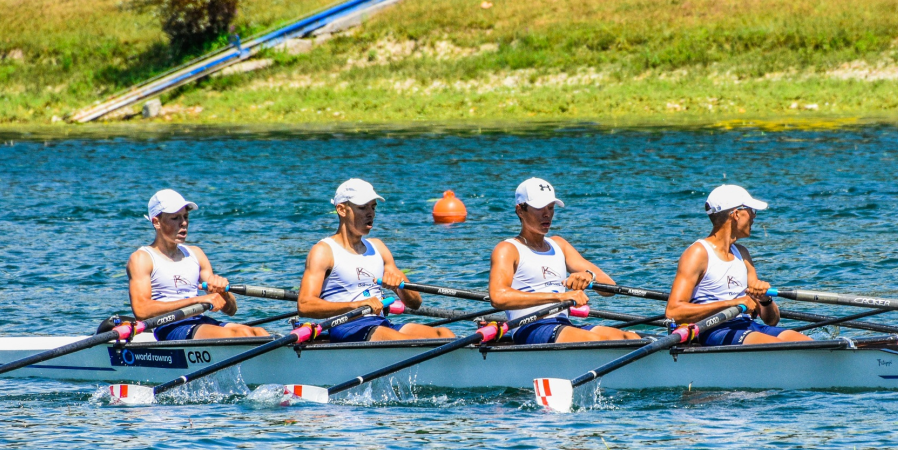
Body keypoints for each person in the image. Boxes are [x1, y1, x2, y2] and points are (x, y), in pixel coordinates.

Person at [297, 179, 455, 342]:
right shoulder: (323, 251)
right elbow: (305, 305)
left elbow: (415, 303)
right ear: (342, 209)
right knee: (403, 341)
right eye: (362, 207)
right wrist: (357, 305)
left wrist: (399, 286)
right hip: (348, 327)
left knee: (444, 334)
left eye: (373, 207)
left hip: (381, 324)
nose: (370, 213)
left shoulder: (378, 248)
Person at [488, 178, 640, 344]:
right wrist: (560, 297)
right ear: (520, 210)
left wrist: (589, 276)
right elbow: (498, 297)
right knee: (595, 340)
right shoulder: (507, 249)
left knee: (630, 337)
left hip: (563, 325)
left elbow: (610, 288)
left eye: (551, 207)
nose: (547, 214)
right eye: (539, 208)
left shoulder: (559, 245)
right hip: (530, 328)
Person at [665, 184, 811, 345]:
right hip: (714, 329)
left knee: (806, 342)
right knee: (774, 345)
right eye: (751, 211)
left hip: (747, 325)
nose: (754, 217)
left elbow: (772, 320)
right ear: (736, 214)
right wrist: (733, 303)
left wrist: (765, 300)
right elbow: (674, 311)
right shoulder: (698, 253)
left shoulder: (742, 254)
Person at [127, 189, 270, 341]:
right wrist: (197, 301)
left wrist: (223, 293)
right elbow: (141, 310)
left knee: (259, 333)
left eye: (186, 217)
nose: (183, 223)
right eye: (175, 218)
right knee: (243, 336)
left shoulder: (196, 254)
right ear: (156, 222)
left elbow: (231, 310)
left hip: (199, 322)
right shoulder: (142, 258)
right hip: (171, 327)